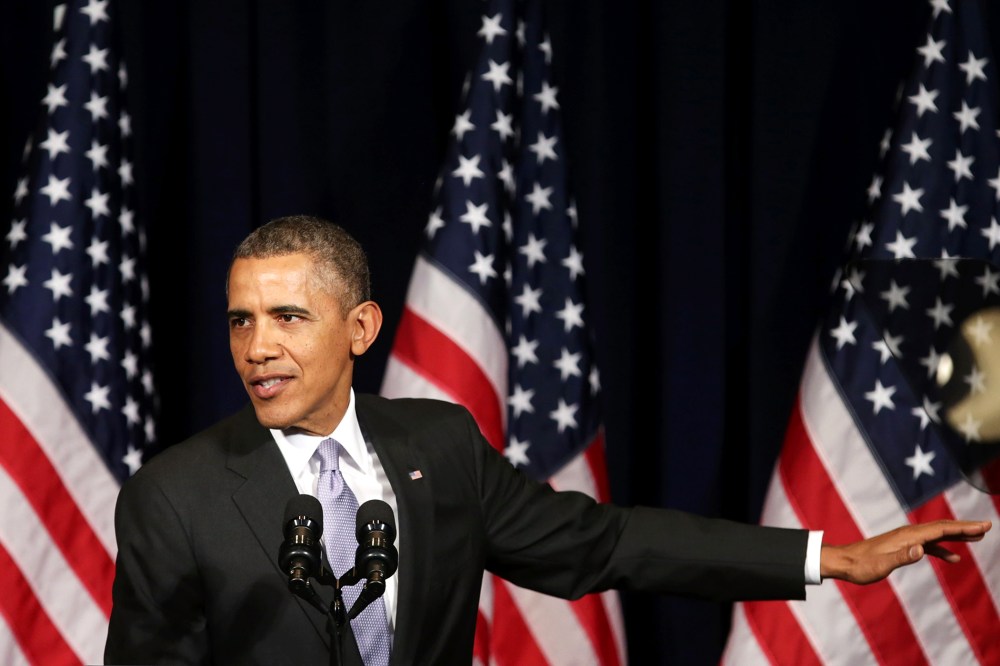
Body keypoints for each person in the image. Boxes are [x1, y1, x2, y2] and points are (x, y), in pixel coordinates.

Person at [104, 215, 992, 665]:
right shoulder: (174, 496)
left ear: (361, 327)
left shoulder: (439, 445)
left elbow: (606, 545)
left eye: (289, 317)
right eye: (241, 321)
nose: (259, 347)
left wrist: (831, 558)